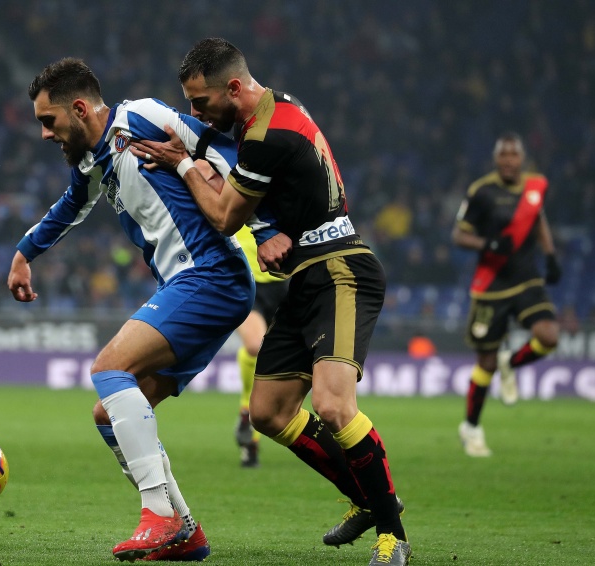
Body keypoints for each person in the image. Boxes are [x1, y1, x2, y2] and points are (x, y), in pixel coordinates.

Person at [130, 38, 410, 566]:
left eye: (201, 102)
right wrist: (267, 227)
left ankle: (392, 534)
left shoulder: (266, 135)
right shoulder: (278, 108)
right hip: (306, 276)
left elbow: (224, 216)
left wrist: (183, 164)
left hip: (342, 269)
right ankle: (367, 496)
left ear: (234, 87)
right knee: (268, 411)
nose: (197, 114)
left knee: (333, 405)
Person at [7, 57, 281, 562]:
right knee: (108, 414)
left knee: (108, 368)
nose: (45, 134)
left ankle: (157, 515)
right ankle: (186, 532)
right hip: (191, 283)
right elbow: (71, 206)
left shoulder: (143, 117)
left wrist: (266, 230)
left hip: (210, 274)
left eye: (49, 120)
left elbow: (228, 152)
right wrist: (25, 254)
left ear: (80, 109)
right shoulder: (93, 161)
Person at [451, 132, 562, 457]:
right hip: (492, 284)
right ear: (496, 158)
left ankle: (510, 363)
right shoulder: (481, 191)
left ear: (522, 158)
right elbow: (459, 235)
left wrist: (551, 255)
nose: (509, 161)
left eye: (514, 155)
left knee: (549, 336)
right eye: (504, 155)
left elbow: (538, 219)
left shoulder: (535, 187)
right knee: (484, 362)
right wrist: (488, 244)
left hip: (526, 279)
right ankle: (471, 427)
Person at [232, 225, 288, 468]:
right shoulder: (231, 200)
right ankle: (247, 411)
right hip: (245, 280)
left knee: (277, 360)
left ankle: (250, 433)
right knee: (256, 346)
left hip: (283, 282)